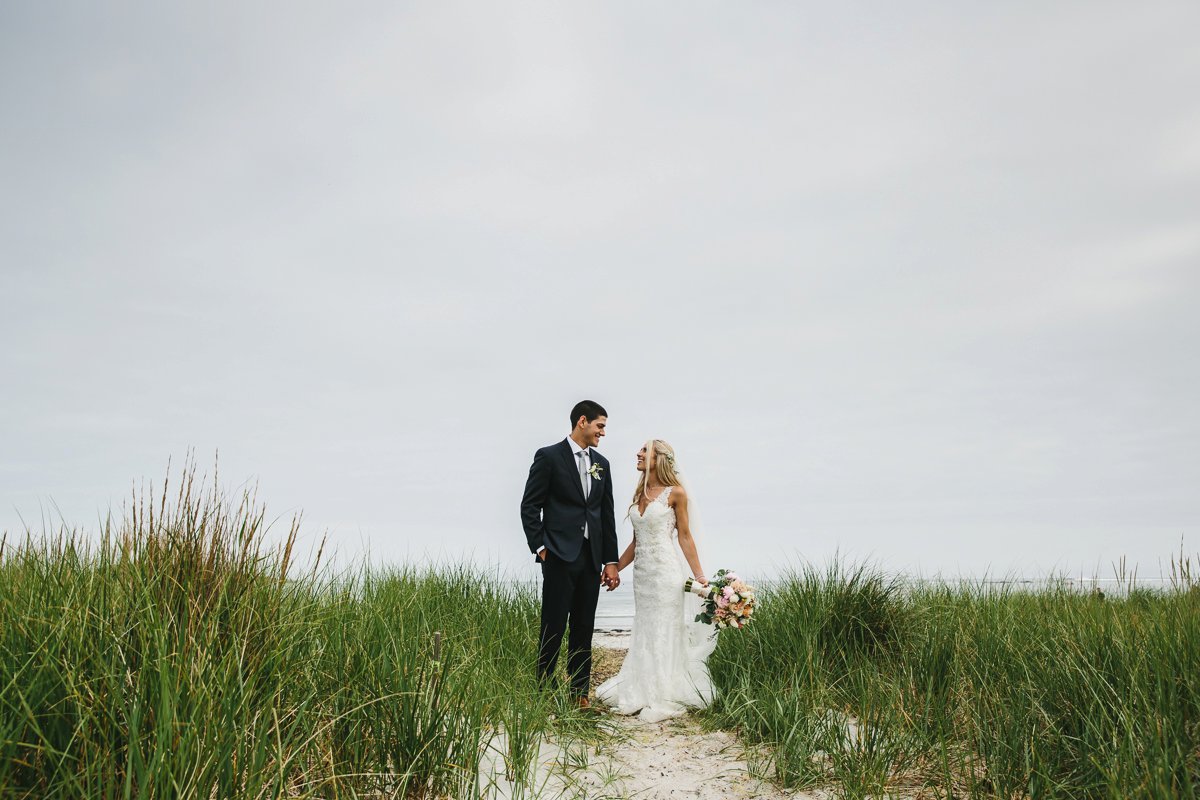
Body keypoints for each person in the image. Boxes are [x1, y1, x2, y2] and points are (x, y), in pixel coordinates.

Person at [595, 439, 716, 722]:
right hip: (643, 578)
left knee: (664, 629)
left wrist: (700, 577)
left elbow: (685, 537)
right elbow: (636, 543)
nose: (637, 453)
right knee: (646, 628)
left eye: (644, 450)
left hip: (665, 574)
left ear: (659, 457)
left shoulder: (676, 494)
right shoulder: (640, 493)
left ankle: (663, 691)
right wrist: (613, 567)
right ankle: (641, 686)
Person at [520, 400, 620, 708]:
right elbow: (529, 505)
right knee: (553, 626)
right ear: (582, 422)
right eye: (599, 426)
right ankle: (544, 693)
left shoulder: (601, 463)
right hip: (559, 556)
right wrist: (541, 547)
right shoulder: (549, 457)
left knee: (583, 627)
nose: (603, 432)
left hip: (590, 559)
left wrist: (611, 561)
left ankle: (579, 694)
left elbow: (606, 515)